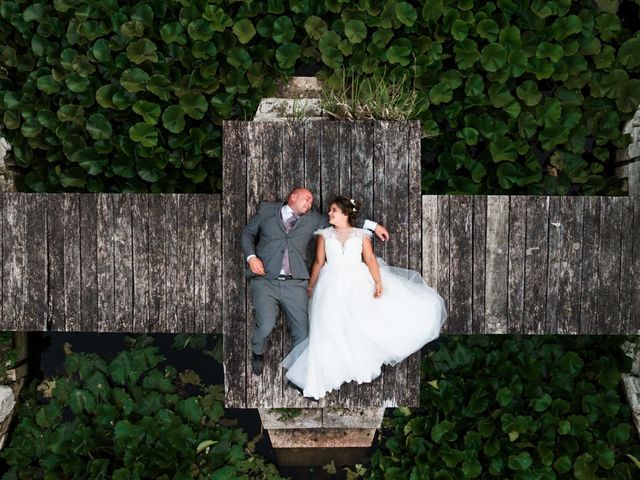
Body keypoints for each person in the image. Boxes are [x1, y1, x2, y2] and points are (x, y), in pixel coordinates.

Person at [281, 196, 447, 400]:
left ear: (344, 213)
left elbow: (369, 259)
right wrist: (310, 284)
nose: (330, 213)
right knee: (327, 326)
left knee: (356, 325)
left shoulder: (361, 235)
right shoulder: (324, 235)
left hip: (356, 282)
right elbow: (318, 261)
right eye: (330, 210)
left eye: (334, 210)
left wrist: (378, 282)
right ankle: (320, 375)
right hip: (330, 284)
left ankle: (347, 363)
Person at [241, 187, 389, 376]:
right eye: (307, 199)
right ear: (292, 197)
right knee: (265, 326)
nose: (310, 203)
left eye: (311, 201)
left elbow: (345, 219)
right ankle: (257, 351)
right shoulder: (267, 211)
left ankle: (299, 375)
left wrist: (374, 226)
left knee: (303, 334)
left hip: (295, 284)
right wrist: (251, 258)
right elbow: (247, 234)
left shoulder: (313, 219)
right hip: (265, 281)